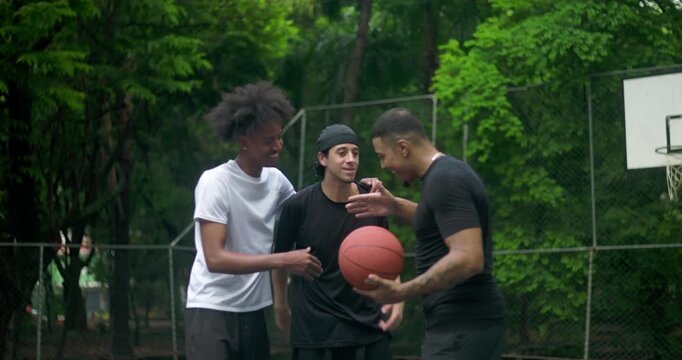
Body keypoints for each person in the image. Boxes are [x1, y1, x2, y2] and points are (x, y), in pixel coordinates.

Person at [346, 108, 506, 359]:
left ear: (403, 147)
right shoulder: (445, 174)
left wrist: (403, 291)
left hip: (463, 327)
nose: (383, 165)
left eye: (382, 156)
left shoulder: (445, 179)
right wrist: (395, 206)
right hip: (461, 326)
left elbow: (469, 258)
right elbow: (440, 222)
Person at [185, 82, 323, 360]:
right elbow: (215, 258)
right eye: (268, 141)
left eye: (279, 137)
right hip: (212, 309)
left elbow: (311, 212)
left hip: (253, 311)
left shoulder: (276, 181)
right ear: (243, 139)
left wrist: (358, 188)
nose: (278, 146)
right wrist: (283, 260)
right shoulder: (216, 182)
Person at [272, 124, 404, 360]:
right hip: (315, 327)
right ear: (322, 158)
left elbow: (388, 253)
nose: (351, 159)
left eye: (355, 152)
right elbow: (279, 260)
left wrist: (398, 295)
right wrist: (281, 308)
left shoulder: (372, 199)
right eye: (342, 152)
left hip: (368, 322)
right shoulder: (298, 206)